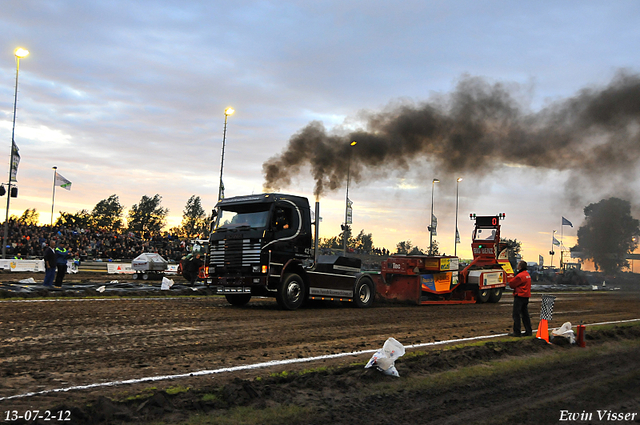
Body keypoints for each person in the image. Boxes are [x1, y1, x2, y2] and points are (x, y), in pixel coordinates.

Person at [508, 260, 532, 337]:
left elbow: (512, 284)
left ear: (520, 266)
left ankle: (517, 332)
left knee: (516, 314)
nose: (517, 266)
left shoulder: (520, 276)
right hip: (526, 296)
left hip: (519, 296)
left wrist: (510, 278)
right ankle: (529, 331)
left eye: (518, 265)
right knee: (525, 315)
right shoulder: (527, 275)